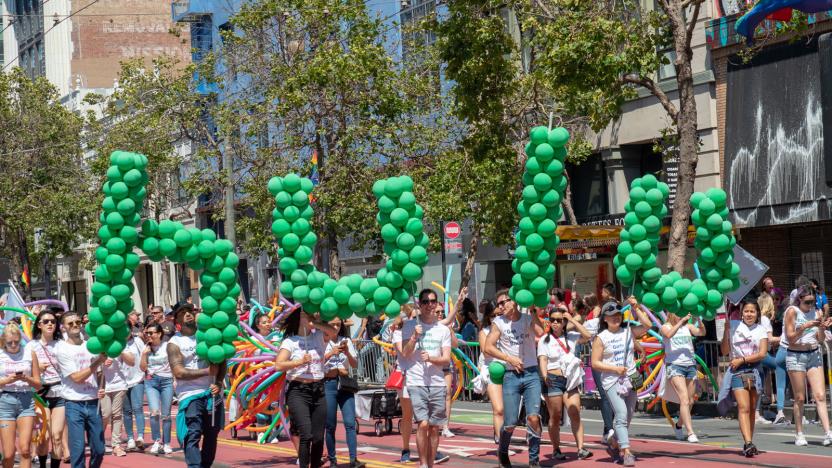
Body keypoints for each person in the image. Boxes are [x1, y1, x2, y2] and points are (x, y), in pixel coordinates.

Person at [484, 288, 545, 468]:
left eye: (505, 301)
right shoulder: (498, 323)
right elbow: (488, 347)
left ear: (515, 302)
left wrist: (533, 310)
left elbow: (540, 332)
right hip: (511, 375)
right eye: (499, 303)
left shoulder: (527, 319)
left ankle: (534, 461)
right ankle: (502, 451)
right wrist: (509, 358)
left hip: (531, 373)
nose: (502, 306)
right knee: (510, 423)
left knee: (534, 417)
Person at [590, 299, 652, 467]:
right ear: (605, 319)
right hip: (612, 381)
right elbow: (594, 363)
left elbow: (647, 325)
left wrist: (635, 307)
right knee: (621, 414)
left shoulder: (628, 332)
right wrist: (614, 369)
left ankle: (614, 439)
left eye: (618, 315)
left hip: (631, 379)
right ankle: (626, 451)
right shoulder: (601, 338)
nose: (615, 318)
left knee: (628, 416)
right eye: (611, 316)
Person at [274, 307, 336, 468]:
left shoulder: (318, 336)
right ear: (298, 318)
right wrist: (299, 362)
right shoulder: (290, 341)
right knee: (306, 435)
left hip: (318, 389)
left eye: (311, 314)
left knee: (317, 437)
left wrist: (316, 323)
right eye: (305, 314)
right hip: (298, 390)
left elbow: (332, 331)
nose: (309, 316)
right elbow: (279, 365)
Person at [397, 289, 452, 468]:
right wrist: (414, 336)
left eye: (433, 301)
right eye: (426, 302)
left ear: (437, 304)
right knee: (423, 424)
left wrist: (431, 358)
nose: (430, 305)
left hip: (436, 382)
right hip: (416, 382)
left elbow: (446, 359)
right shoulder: (409, 325)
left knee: (434, 427)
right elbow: (404, 353)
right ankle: (423, 464)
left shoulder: (443, 330)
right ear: (419, 304)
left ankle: (430, 463)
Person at [168, 304, 226, 468]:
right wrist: (206, 371)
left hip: (212, 393)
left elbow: (222, 361)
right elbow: (178, 372)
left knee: (212, 433)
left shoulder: (208, 335)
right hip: (190, 394)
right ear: (177, 319)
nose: (187, 314)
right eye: (182, 313)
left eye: (190, 311)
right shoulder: (174, 343)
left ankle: (205, 465)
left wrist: (219, 382)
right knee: (193, 433)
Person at [537, 308, 593, 460]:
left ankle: (581, 448)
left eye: (559, 320)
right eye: (553, 320)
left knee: (575, 412)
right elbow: (543, 359)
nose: (555, 323)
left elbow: (588, 336)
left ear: (564, 322)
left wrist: (573, 320)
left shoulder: (572, 336)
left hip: (570, 380)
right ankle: (556, 449)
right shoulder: (544, 340)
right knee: (555, 416)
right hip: (553, 380)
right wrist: (544, 375)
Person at [54, 311, 107, 468]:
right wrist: (97, 362)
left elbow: (99, 372)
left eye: (78, 322)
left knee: (99, 449)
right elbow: (77, 378)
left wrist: (101, 387)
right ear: (63, 327)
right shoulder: (62, 349)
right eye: (70, 323)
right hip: (74, 404)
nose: (75, 325)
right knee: (77, 450)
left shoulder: (90, 345)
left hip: (93, 402)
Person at [783, 285, 832, 446]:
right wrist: (804, 327)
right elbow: (790, 338)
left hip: (813, 354)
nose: (810, 306)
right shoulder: (792, 311)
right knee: (800, 397)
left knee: (820, 396)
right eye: (807, 302)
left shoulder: (817, 312)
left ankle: (828, 432)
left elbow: (819, 339)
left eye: (813, 302)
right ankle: (799, 433)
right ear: (799, 301)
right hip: (796, 355)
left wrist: (822, 328)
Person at [721, 299, 769, 457]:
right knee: (744, 407)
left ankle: (749, 441)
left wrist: (742, 359)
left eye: (752, 311)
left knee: (752, 409)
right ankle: (748, 443)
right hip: (737, 371)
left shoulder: (761, 330)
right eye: (746, 311)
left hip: (755, 371)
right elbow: (724, 350)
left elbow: (762, 354)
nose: (749, 314)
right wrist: (726, 332)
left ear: (757, 314)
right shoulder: (734, 326)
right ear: (741, 313)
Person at [322, 317, 364, 468]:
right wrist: (330, 353)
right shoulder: (321, 341)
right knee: (330, 425)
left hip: (345, 385)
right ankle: (332, 460)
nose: (335, 327)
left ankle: (353, 459)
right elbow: (314, 363)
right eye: (332, 324)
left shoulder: (345, 340)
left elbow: (355, 364)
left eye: (338, 324)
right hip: (329, 384)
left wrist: (347, 352)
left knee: (350, 422)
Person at [28, 309, 67, 468]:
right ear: (39, 325)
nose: (50, 324)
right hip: (39, 395)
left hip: (60, 393)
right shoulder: (31, 346)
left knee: (56, 436)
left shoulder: (62, 345)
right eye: (46, 321)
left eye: (53, 321)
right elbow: (23, 370)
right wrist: (36, 369)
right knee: (43, 437)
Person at [661, 312, 705, 442]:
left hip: (690, 365)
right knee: (684, 399)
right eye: (678, 312)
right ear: (671, 313)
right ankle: (691, 432)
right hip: (675, 365)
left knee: (690, 401)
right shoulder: (665, 326)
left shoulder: (688, 327)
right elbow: (668, 335)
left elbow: (701, 332)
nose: (681, 315)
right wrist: (681, 322)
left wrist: (699, 320)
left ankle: (679, 425)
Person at [0, 324, 40, 468]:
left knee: (25, 450)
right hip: (5, 401)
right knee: (9, 454)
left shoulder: (30, 353)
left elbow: (38, 384)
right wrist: (7, 380)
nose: (13, 345)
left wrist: (26, 378)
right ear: (3, 341)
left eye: (16, 341)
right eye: (9, 342)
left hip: (26, 400)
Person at [140, 323, 174, 454]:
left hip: (167, 381)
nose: (148, 335)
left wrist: (175, 380)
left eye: (151, 333)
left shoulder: (167, 346)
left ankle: (167, 443)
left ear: (159, 334)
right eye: (147, 333)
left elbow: (174, 362)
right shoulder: (146, 348)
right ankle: (157, 441)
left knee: (166, 415)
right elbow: (142, 368)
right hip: (151, 382)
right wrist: (144, 355)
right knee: (154, 413)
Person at [392, 305, 418, 463]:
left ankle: (430, 449)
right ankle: (406, 448)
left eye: (416, 318)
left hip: (423, 376)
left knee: (426, 416)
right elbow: (403, 352)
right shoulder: (397, 332)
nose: (414, 321)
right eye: (412, 317)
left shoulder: (425, 329)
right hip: (406, 376)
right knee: (408, 415)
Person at [100, 342, 135, 457]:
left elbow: (132, 362)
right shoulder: (98, 343)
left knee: (117, 414)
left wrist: (119, 350)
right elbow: (90, 364)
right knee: (105, 414)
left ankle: (116, 445)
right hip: (103, 385)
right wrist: (101, 362)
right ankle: (98, 441)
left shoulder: (119, 343)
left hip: (119, 385)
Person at [478, 299, 503, 443]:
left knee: (507, 409)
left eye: (499, 315)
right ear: (488, 316)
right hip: (492, 370)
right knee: (498, 408)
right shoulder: (485, 331)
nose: (496, 318)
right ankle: (500, 440)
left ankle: (501, 432)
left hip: (508, 369)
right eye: (493, 315)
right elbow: (486, 352)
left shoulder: (506, 328)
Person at [122, 323, 147, 452]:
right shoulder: (117, 342)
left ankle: (141, 437)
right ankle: (130, 438)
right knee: (126, 412)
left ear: (131, 329)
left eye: (127, 328)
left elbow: (145, 355)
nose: (125, 331)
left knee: (138, 408)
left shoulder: (137, 341)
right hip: (122, 382)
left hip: (137, 379)